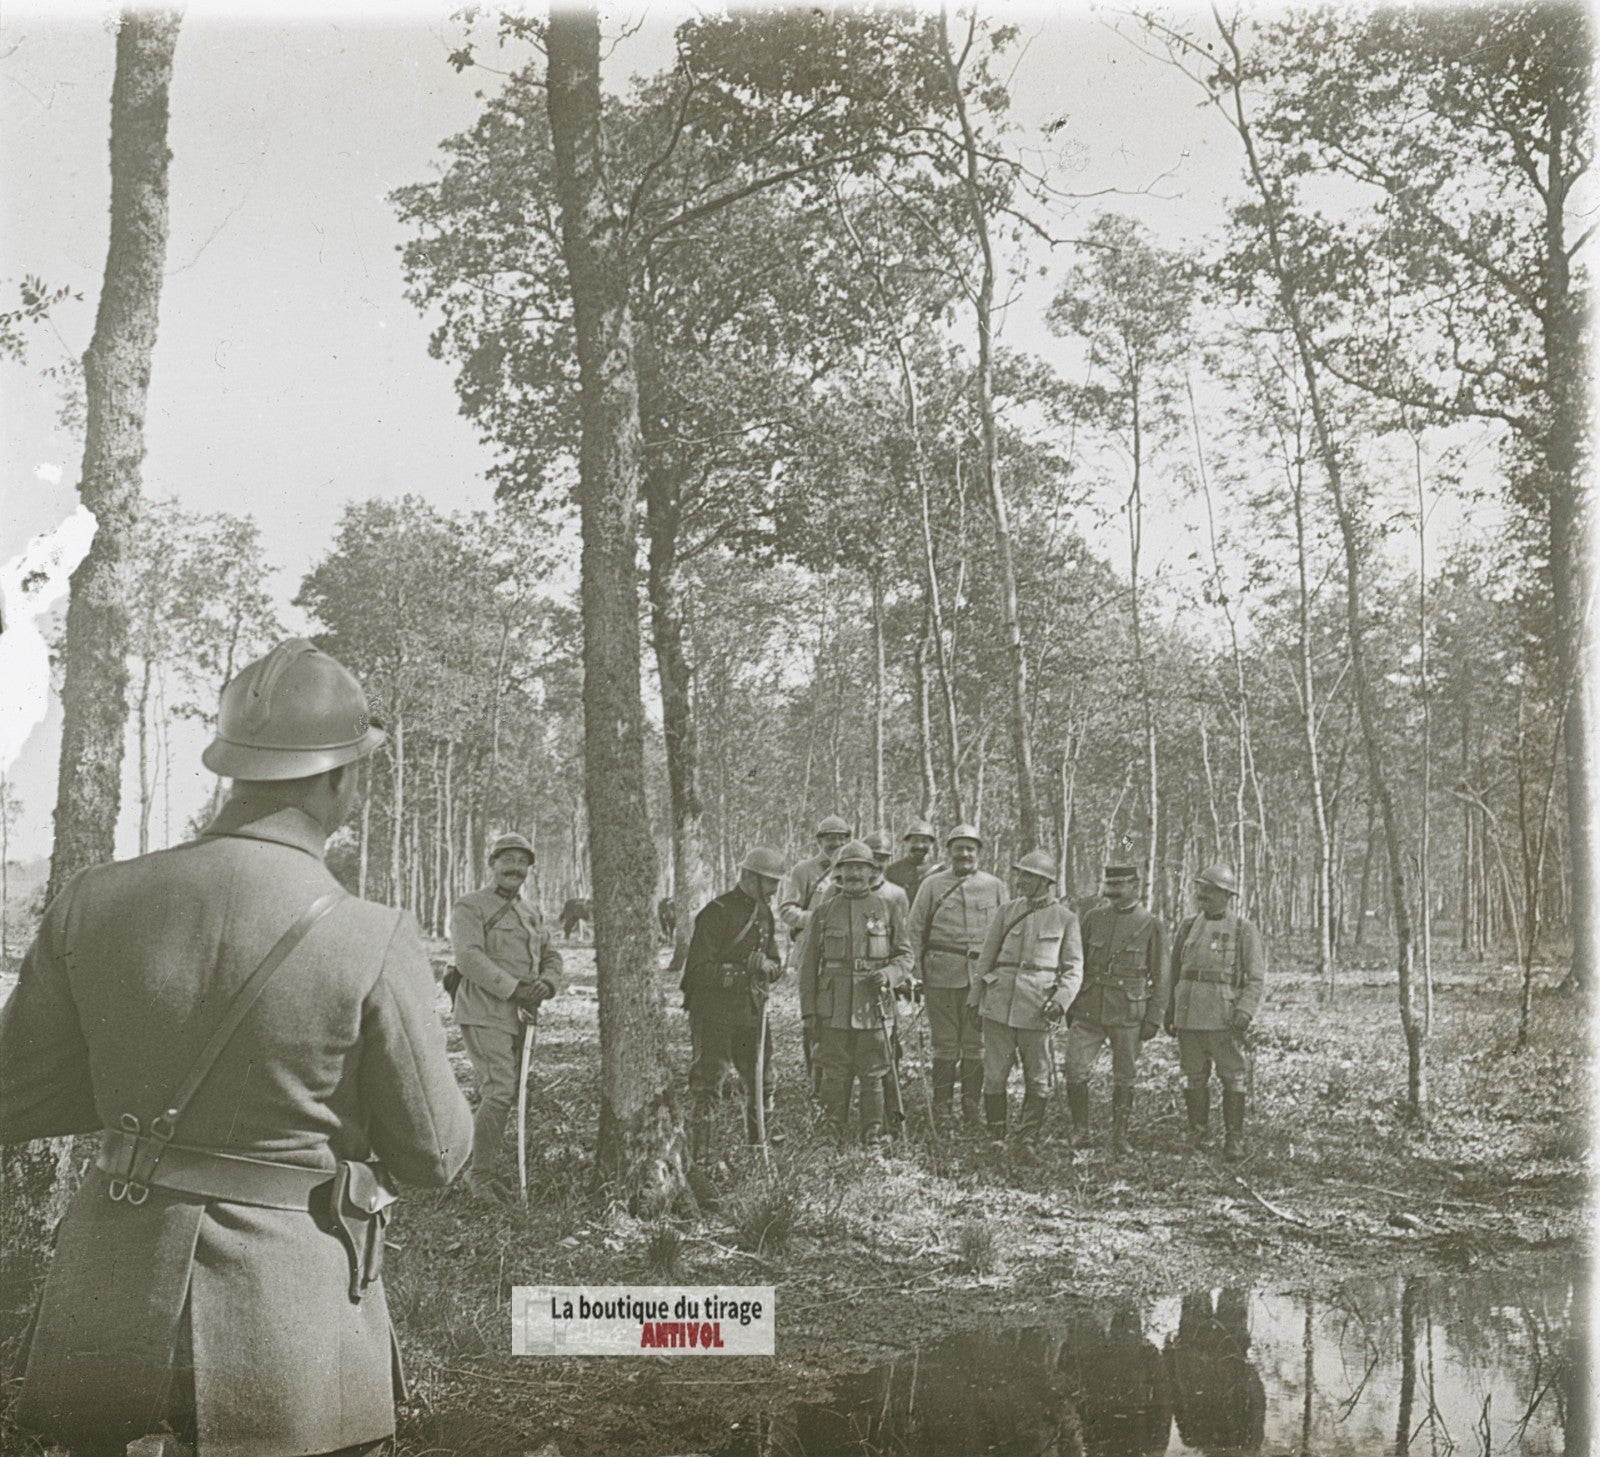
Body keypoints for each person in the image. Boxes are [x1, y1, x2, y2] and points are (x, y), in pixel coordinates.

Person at [0, 637, 473, 1457]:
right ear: (341, 777)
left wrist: (140, 1098)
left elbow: (14, 1097)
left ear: (233, 765)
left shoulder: (94, 901)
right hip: (286, 1326)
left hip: (106, 1305)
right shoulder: (373, 936)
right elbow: (434, 1153)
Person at [450, 832, 565, 1202]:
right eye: (507, 860)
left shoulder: (531, 912)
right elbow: (468, 957)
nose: (515, 868)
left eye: (522, 862)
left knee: (502, 1091)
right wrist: (514, 988)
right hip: (484, 1010)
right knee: (499, 1089)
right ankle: (478, 1176)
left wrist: (547, 982)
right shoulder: (471, 905)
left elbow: (552, 955)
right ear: (493, 864)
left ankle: (477, 1163)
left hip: (521, 1016)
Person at [796, 840, 912, 1148]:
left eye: (861, 868)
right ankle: (833, 1129)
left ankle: (871, 1133)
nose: (854, 874)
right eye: (848, 868)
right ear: (838, 874)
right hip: (832, 1005)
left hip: (873, 1005)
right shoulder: (823, 912)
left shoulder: (888, 909)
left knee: (873, 1071)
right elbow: (807, 967)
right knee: (834, 1069)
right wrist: (808, 1012)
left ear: (873, 873)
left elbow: (905, 956)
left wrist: (889, 975)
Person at [967, 849, 1082, 1152]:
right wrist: (974, 998)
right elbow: (986, 958)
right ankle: (996, 1135)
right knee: (994, 1074)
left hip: (1038, 1007)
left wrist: (1060, 1001)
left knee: (1038, 1076)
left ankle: (1028, 1136)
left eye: (1029, 876)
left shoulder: (1065, 919)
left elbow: (1074, 969)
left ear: (1046, 882)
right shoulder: (1007, 911)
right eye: (1020, 874)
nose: (1021, 880)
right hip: (999, 1002)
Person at [679, 847, 785, 1160]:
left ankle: (758, 1147)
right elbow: (697, 972)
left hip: (751, 1011)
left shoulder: (764, 913)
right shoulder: (717, 911)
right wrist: (744, 972)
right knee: (709, 1082)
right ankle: (703, 1155)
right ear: (751, 878)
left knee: (760, 1079)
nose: (775, 889)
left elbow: (775, 961)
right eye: (770, 882)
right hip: (714, 1013)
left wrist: (768, 968)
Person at [1063, 864, 1169, 1156]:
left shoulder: (1150, 924)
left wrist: (1154, 1017)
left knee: (1125, 1075)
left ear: (1135, 885)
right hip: (1089, 1009)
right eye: (1109, 883)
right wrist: (1070, 1003)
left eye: (1119, 884)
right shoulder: (1093, 918)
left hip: (1127, 1012)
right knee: (1074, 1068)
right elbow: (1077, 963)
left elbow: (1162, 977)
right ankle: (1080, 1131)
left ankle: (1119, 1136)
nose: (1112, 889)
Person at [1164, 863, 1266, 1162]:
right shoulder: (1188, 926)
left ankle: (1233, 1138)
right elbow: (1175, 971)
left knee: (1232, 1075)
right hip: (1188, 1013)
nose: (1202, 895)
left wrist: (1245, 1011)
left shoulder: (1242, 929)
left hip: (1223, 1015)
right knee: (1193, 1074)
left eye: (1209, 890)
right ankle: (1197, 1131)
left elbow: (1255, 978)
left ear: (1226, 895)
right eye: (1200, 889)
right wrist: (1170, 1010)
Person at [907, 824, 1005, 1128]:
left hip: (980, 976)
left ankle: (971, 1105)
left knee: (975, 1043)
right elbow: (914, 928)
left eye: (970, 849)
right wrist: (916, 972)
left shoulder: (995, 886)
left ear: (979, 853)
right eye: (958, 848)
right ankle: (943, 1106)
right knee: (945, 1044)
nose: (964, 854)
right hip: (941, 973)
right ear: (948, 851)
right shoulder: (932, 885)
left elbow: (1006, 931)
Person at [779, 814, 851, 1094]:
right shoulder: (803, 870)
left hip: (843, 956)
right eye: (829, 837)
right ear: (819, 840)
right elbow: (787, 909)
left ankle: (837, 1081)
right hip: (812, 952)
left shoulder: (855, 868)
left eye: (842, 837)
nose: (836, 842)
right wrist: (819, 919)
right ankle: (815, 1082)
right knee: (813, 1017)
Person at [883, 820, 940, 901]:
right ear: (906, 843)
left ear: (931, 844)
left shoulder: (940, 871)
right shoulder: (892, 871)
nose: (919, 845)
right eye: (914, 841)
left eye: (925, 841)